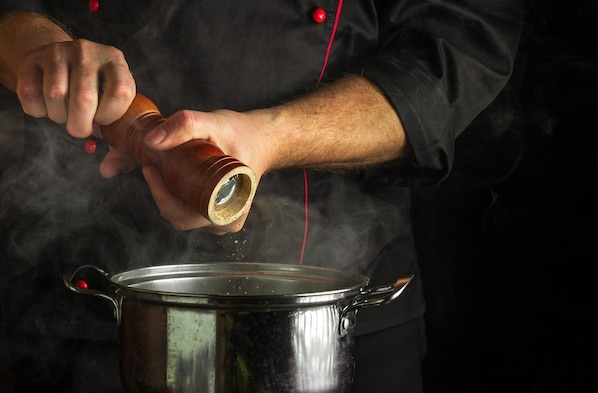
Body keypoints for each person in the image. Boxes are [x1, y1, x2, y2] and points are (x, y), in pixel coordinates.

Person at [0, 1, 524, 392]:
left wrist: (273, 136)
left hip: (333, 324)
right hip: (87, 304)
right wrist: (41, 48)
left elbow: (454, 51)